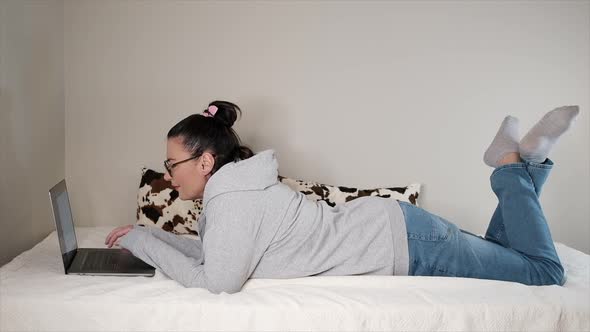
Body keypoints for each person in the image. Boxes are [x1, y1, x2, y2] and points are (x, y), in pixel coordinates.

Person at [105, 101, 579, 294]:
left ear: (205, 162)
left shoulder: (235, 200)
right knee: (511, 257)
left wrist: (142, 245)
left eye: (172, 164)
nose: (169, 175)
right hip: (401, 230)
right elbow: (215, 255)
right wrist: (146, 235)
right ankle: (527, 163)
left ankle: (513, 168)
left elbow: (218, 282)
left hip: (408, 244)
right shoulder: (236, 191)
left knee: (543, 272)